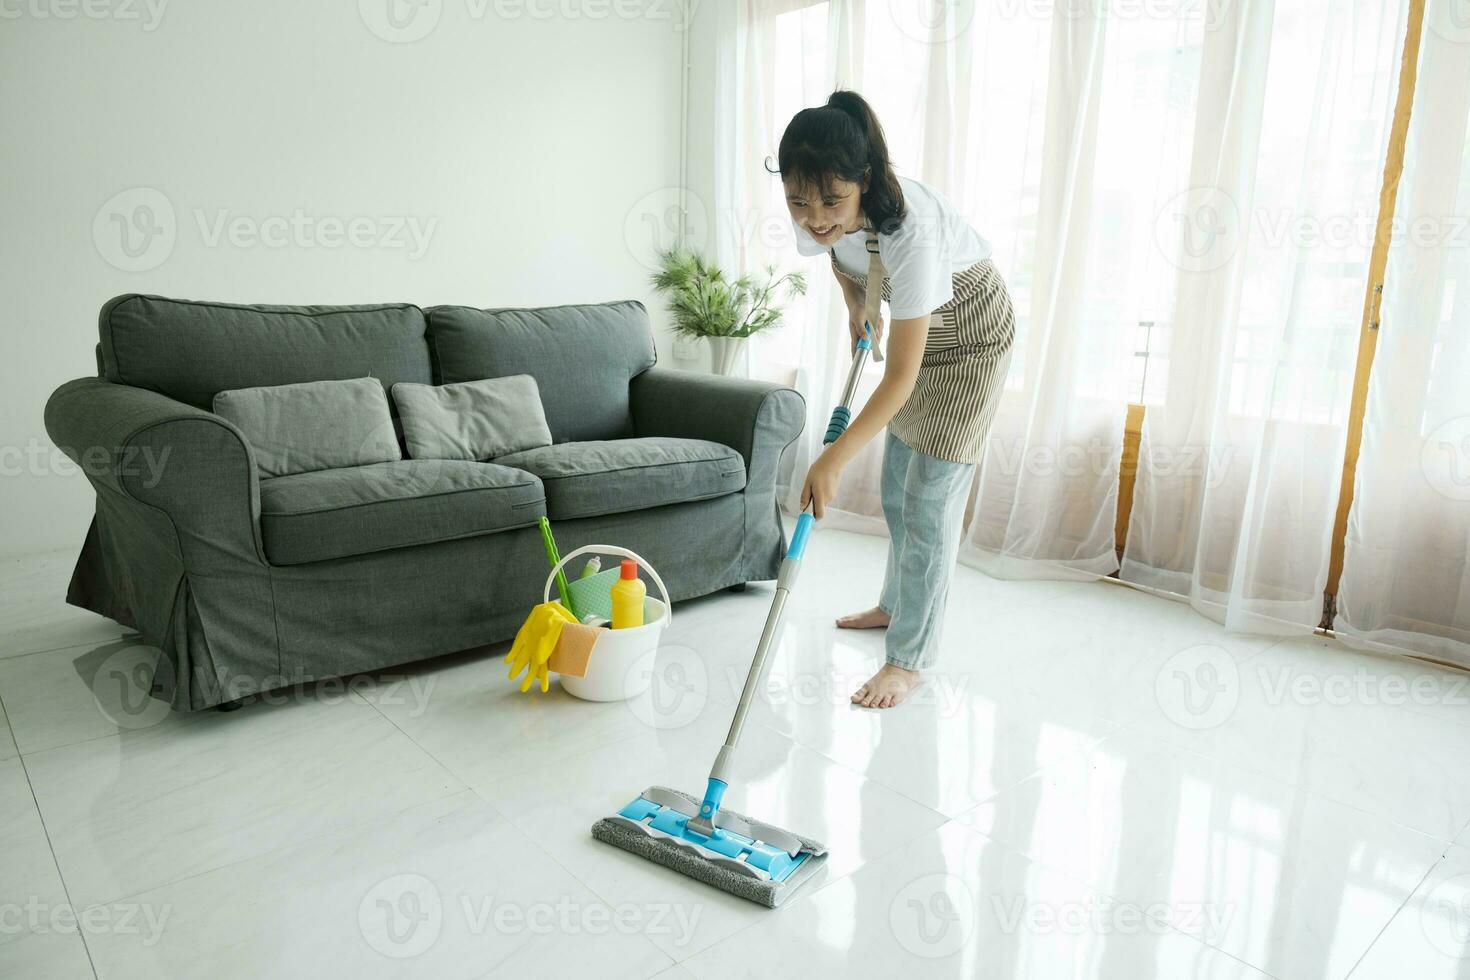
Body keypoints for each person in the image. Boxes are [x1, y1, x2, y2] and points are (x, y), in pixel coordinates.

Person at [779, 89, 1015, 709]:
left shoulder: (913, 230)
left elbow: (903, 376)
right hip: (916, 333)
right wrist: (858, 307)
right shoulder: (816, 211)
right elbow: (838, 256)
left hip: (970, 343)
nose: (815, 216)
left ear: (865, 180)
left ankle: (909, 659)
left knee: (930, 499)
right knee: (898, 487)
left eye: (832, 200)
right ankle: (894, 605)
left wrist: (831, 458)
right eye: (799, 201)